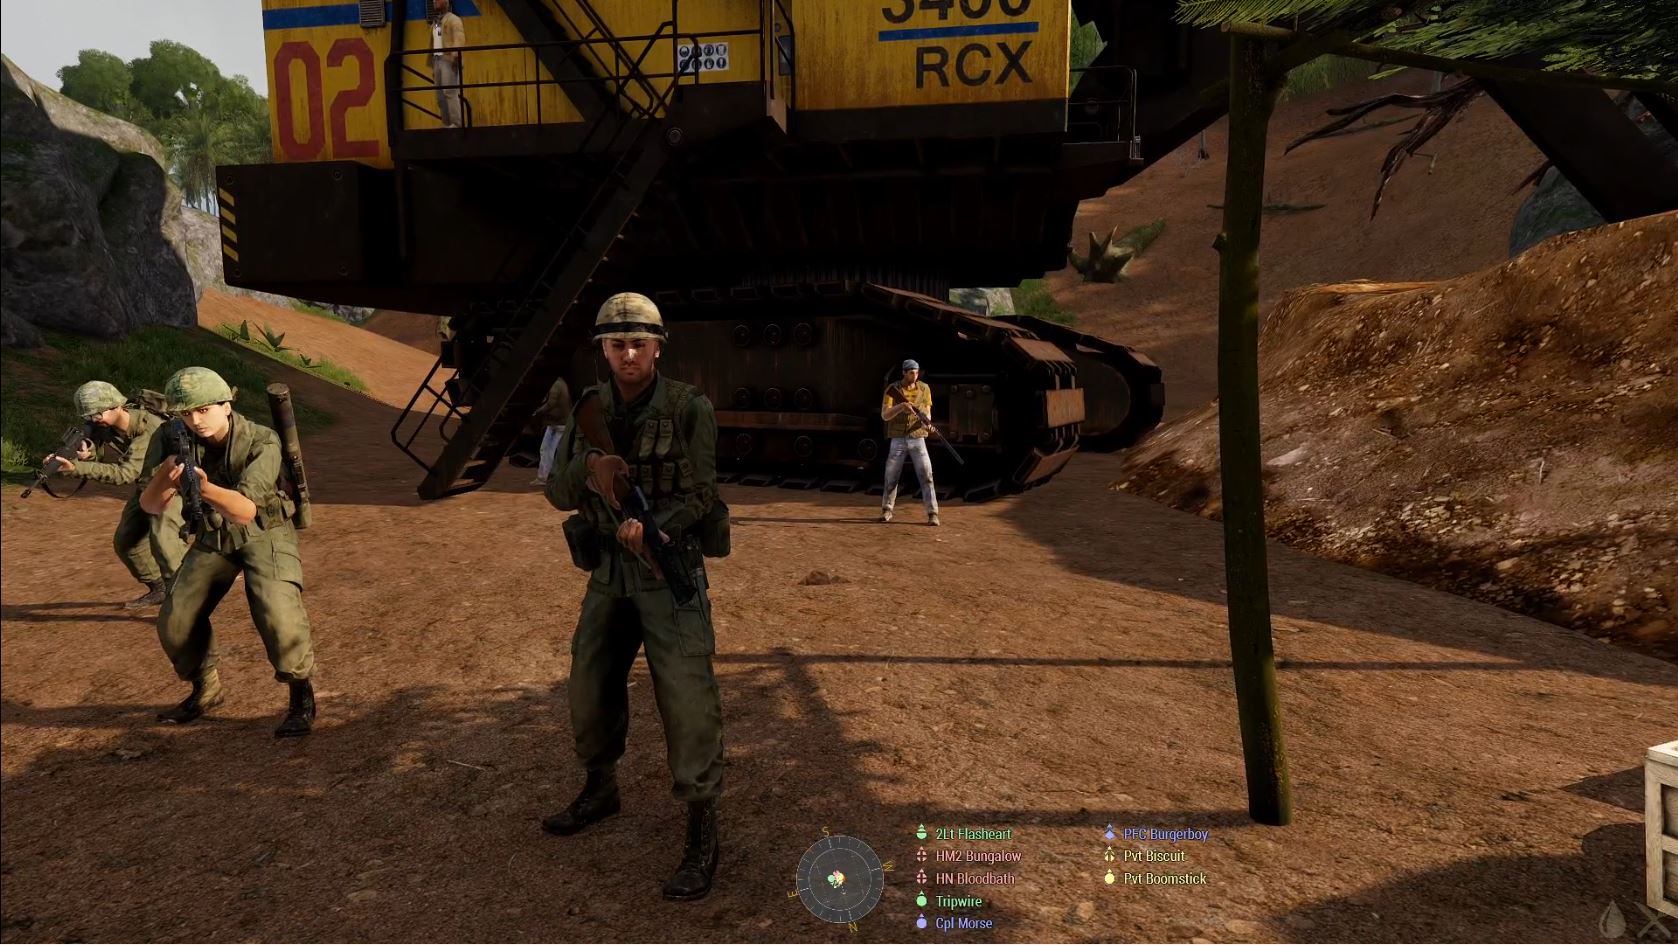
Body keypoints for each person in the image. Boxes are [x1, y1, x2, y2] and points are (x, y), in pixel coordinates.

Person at [542, 292, 727, 902]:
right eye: (617, 344)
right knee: (589, 682)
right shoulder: (588, 409)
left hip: (667, 570)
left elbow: (703, 492)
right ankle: (601, 788)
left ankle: (702, 826)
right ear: (603, 349)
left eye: (639, 344)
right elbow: (558, 491)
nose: (628, 354)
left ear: (657, 348)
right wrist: (592, 468)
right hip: (609, 572)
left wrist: (656, 529)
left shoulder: (689, 407)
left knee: (687, 698)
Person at [138, 367, 318, 738]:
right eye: (187, 413)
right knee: (176, 619)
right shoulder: (173, 438)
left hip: (264, 530)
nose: (195, 420)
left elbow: (245, 511)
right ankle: (206, 688)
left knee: (278, 613)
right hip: (214, 533)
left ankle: (301, 694)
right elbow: (151, 505)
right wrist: (166, 476)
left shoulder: (262, 441)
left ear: (226, 405)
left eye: (204, 410)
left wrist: (202, 487)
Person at [43, 382, 186, 607]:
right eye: (88, 416)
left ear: (117, 405)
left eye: (97, 413)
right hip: (148, 487)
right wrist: (88, 454)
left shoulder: (149, 428)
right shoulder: (107, 426)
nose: (94, 419)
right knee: (127, 542)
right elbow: (100, 460)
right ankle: (159, 588)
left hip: (175, 488)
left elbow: (125, 473)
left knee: (165, 544)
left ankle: (187, 602)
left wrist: (75, 468)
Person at [879, 359, 941, 526]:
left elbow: (927, 413)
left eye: (917, 372)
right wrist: (901, 407)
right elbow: (885, 415)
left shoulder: (924, 389)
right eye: (911, 373)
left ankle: (933, 513)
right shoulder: (893, 389)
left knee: (927, 475)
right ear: (904, 373)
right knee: (891, 476)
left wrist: (928, 424)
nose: (915, 376)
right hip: (898, 438)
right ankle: (887, 510)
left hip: (917, 438)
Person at [431, 0, 465, 128]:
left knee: (450, 92)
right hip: (437, 60)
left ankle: (456, 123)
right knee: (440, 96)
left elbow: (459, 39)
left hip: (448, 60)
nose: (434, 1)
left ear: (446, 2)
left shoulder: (453, 20)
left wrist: (455, 57)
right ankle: (446, 124)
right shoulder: (436, 22)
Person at [533, 376, 572, 486]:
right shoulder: (560, 382)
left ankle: (545, 477)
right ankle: (545, 477)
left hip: (558, 423)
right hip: (557, 422)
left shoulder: (556, 384)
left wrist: (537, 412)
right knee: (548, 449)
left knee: (549, 450)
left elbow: (550, 404)